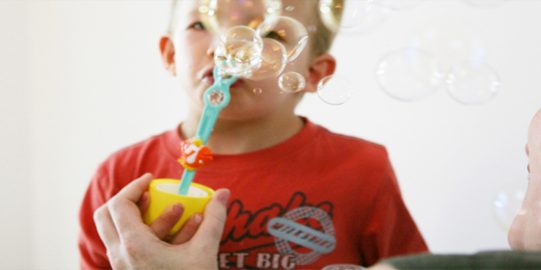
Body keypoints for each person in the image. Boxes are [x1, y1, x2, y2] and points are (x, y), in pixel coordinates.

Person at [79, 0, 428, 269]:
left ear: (314, 72)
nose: (227, 48)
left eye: (271, 35)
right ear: (169, 54)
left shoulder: (362, 170)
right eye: (202, 23)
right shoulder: (121, 178)